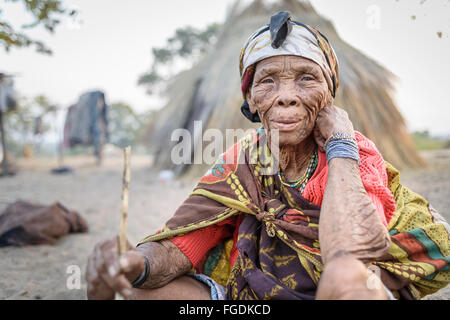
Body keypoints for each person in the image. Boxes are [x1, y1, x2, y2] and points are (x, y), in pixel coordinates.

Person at [86, 12, 450, 300]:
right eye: (268, 81)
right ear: (251, 101)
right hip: (253, 296)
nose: (286, 95)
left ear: (329, 94)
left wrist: (340, 141)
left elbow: (350, 253)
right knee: (139, 289)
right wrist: (134, 263)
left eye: (306, 79)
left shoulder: (351, 150)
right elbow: (184, 244)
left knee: (345, 279)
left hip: (348, 287)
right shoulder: (243, 159)